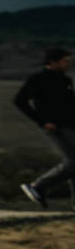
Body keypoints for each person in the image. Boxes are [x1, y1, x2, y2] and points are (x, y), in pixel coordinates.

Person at [16, 46, 75, 208]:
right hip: (55, 127)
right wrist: (42, 121)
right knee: (73, 162)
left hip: (71, 125)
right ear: (52, 62)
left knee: (72, 163)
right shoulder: (38, 79)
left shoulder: (65, 80)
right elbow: (20, 101)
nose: (68, 64)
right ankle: (37, 186)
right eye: (65, 61)